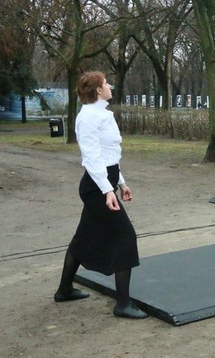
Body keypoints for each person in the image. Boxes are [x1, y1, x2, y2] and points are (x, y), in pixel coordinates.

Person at [54, 71, 147, 319]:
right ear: (97, 90)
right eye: (106, 84)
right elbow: (92, 159)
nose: (110, 86)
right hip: (96, 187)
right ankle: (123, 304)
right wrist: (108, 190)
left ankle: (64, 290)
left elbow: (110, 156)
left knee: (83, 238)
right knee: (126, 237)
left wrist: (121, 182)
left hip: (105, 182)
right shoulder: (88, 118)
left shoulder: (103, 114)